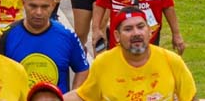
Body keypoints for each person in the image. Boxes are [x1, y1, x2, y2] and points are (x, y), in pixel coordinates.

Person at [65, 8, 196, 101]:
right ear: (117, 36)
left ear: (150, 31)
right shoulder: (103, 63)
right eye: (128, 29)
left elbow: (191, 98)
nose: (136, 33)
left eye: (140, 27)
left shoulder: (171, 61)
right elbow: (84, 96)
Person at [0, 0, 89, 93]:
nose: (38, 12)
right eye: (33, 6)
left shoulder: (67, 35)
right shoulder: (6, 35)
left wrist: (73, 95)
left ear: (53, 6)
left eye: (45, 7)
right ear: (23, 4)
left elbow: (82, 69)